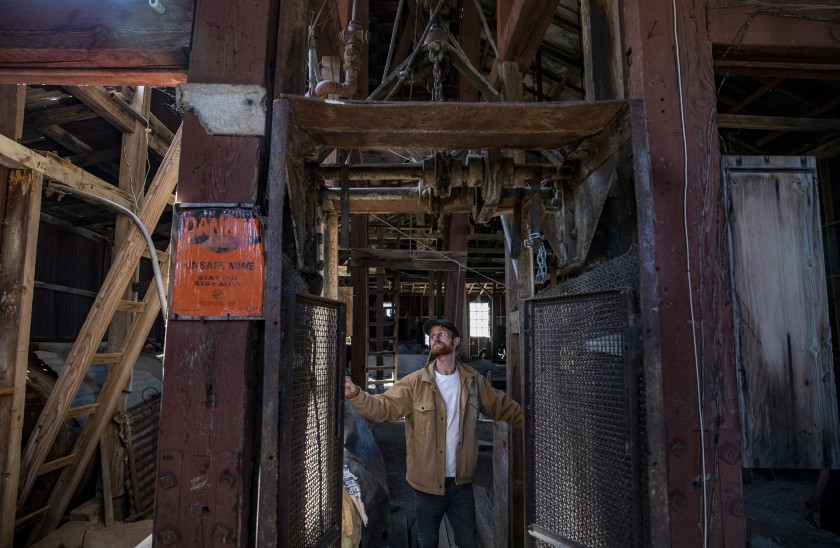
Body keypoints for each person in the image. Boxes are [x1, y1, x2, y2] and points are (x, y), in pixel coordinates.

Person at [344, 318, 523, 548]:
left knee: (468, 541)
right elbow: (382, 408)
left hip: (461, 484)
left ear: (456, 341)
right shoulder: (415, 384)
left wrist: (535, 423)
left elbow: (505, 408)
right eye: (432, 336)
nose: (435, 338)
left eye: (441, 334)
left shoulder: (474, 383)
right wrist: (356, 394)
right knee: (427, 542)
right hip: (426, 486)